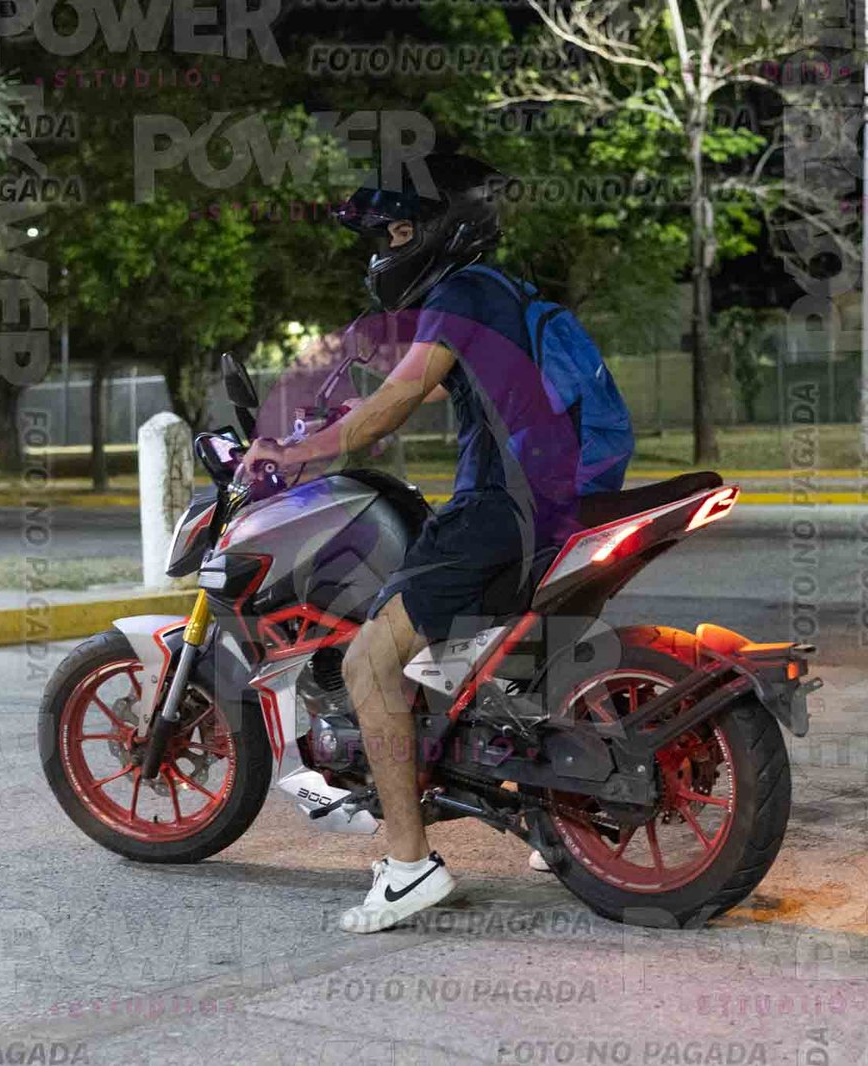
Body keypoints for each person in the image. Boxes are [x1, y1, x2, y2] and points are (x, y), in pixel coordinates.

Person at [243, 154, 587, 933]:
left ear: (430, 230)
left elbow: (397, 402)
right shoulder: (499, 290)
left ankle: (408, 867)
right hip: (554, 501)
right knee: (477, 654)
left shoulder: (460, 293)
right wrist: (345, 413)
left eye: (395, 231)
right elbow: (427, 386)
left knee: (368, 661)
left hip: (501, 505)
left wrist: (292, 453)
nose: (386, 247)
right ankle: (546, 814)